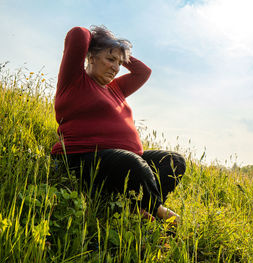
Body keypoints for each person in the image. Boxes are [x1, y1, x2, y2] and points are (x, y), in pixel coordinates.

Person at [51, 25, 186, 222]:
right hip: (84, 159)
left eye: (120, 63)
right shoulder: (74, 81)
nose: (115, 68)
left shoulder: (116, 89)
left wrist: (119, 51)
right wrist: (104, 40)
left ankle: (136, 208)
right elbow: (78, 34)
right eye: (110, 59)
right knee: (133, 163)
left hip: (125, 162)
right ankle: (158, 212)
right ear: (91, 57)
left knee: (174, 161)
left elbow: (143, 72)